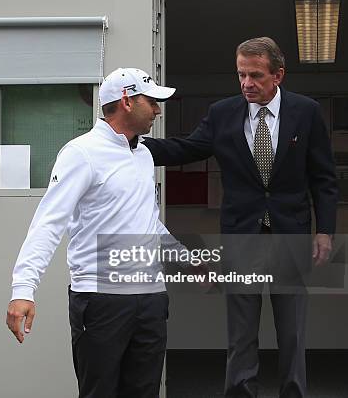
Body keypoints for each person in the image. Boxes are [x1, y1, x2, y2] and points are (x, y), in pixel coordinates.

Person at [143, 37, 338, 398]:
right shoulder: (223, 113)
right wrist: (131, 143)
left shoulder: (306, 111)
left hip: (290, 236)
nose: (246, 83)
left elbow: (324, 178)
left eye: (255, 75)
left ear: (278, 75)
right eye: (241, 75)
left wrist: (325, 230)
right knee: (241, 333)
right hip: (241, 237)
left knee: (293, 332)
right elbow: (186, 147)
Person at [6, 68, 180, 398]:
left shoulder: (142, 154)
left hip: (151, 300)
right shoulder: (81, 153)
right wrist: (23, 289)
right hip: (102, 301)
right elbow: (49, 222)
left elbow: (148, 224)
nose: (158, 110)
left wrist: (189, 260)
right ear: (127, 101)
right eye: (152, 101)